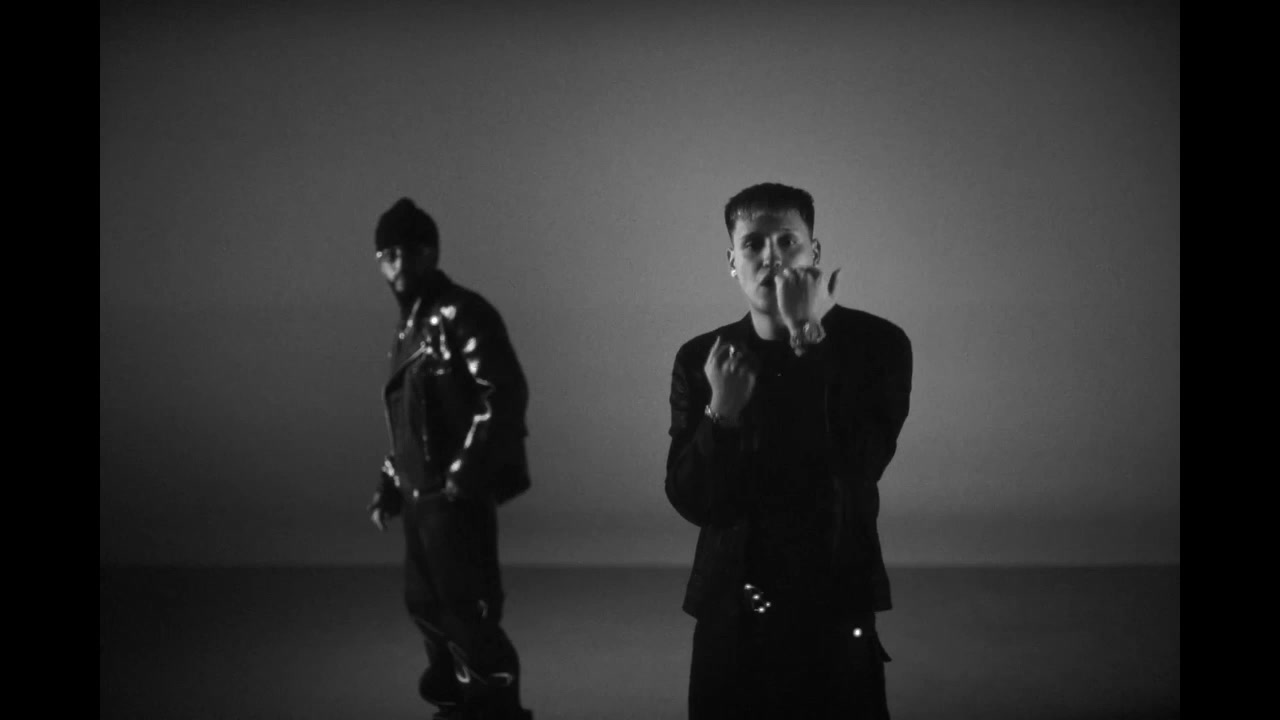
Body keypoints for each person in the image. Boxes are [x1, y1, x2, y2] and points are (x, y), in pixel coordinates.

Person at [665, 183, 913, 718]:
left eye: (787, 241)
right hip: (732, 605)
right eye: (753, 243)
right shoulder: (703, 357)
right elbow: (694, 501)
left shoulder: (878, 346)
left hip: (834, 597)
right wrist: (721, 414)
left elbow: (859, 464)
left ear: (813, 253)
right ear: (732, 262)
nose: (771, 257)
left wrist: (806, 336)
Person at [366, 197, 534, 720]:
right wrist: (390, 483)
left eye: (409, 252)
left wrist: (464, 476)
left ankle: (493, 706)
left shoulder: (462, 312)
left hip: (452, 497)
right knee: (426, 605)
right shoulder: (409, 328)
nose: (399, 265)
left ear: (431, 252)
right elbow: (408, 422)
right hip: (421, 496)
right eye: (388, 256)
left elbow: (502, 393)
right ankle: (454, 700)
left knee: (467, 608)